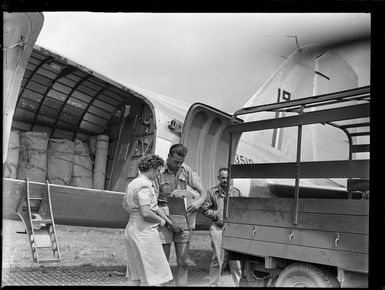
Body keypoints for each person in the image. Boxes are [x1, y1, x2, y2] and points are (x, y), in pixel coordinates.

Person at [122, 154, 183, 286]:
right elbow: (146, 211)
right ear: (152, 168)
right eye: (158, 171)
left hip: (132, 229)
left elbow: (126, 205)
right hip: (144, 232)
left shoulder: (133, 183)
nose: (158, 174)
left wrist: (165, 219)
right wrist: (161, 221)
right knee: (155, 275)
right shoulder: (144, 185)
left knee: (137, 274)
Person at [153, 144, 206, 286]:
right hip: (164, 218)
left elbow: (203, 192)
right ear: (169, 157)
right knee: (163, 262)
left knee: (183, 262)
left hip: (183, 217)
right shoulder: (158, 172)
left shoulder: (185, 170)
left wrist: (198, 203)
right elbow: (154, 204)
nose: (179, 165)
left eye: (181, 162)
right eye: (176, 161)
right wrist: (170, 222)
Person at [202, 167, 242, 287]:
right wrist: (216, 216)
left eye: (227, 177)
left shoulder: (236, 192)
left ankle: (238, 284)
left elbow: (243, 209)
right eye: (223, 177)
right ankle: (213, 284)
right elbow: (205, 209)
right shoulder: (212, 192)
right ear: (219, 178)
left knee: (235, 260)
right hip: (217, 228)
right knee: (218, 259)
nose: (225, 180)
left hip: (232, 229)